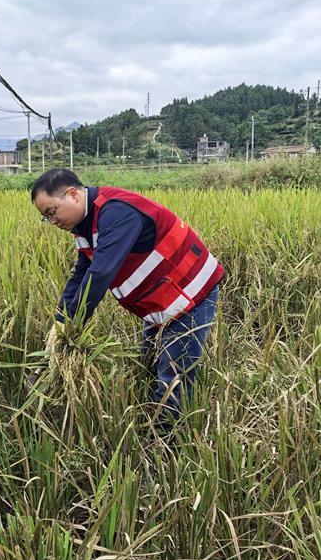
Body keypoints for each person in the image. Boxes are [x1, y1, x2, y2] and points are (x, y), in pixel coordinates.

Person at [30, 168, 224, 432]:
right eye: (46, 218)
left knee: (173, 376)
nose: (52, 221)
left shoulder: (117, 213)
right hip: (159, 300)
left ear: (73, 194)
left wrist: (72, 323)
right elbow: (82, 272)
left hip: (190, 293)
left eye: (52, 212)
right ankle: (153, 422)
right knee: (149, 363)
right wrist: (61, 319)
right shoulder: (84, 226)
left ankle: (165, 443)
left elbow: (100, 273)